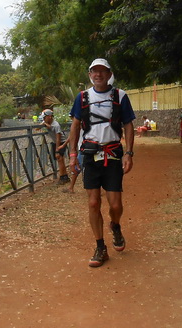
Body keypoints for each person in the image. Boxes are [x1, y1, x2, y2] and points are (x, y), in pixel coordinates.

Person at [68, 58, 136, 268]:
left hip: (113, 152)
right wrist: (72, 154)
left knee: (115, 204)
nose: (98, 75)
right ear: (90, 74)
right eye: (94, 72)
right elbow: (76, 126)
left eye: (102, 71)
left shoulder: (120, 96)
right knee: (93, 202)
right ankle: (100, 247)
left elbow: (128, 125)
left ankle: (115, 226)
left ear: (109, 74)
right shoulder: (82, 97)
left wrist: (129, 153)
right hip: (90, 153)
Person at [42, 109, 70, 184]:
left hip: (60, 142)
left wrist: (57, 150)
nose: (43, 119)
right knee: (60, 160)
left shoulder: (56, 125)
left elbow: (58, 138)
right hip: (56, 143)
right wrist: (45, 124)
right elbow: (38, 128)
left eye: (45, 117)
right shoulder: (48, 123)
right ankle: (65, 176)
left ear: (50, 117)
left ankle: (62, 177)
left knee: (59, 158)